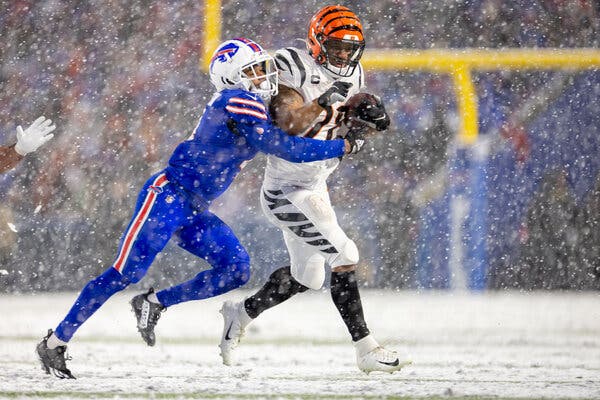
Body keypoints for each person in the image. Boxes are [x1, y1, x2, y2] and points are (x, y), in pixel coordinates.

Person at [36, 37, 367, 379]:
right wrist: (345, 144)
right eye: (251, 71)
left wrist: (327, 105)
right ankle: (55, 342)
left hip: (195, 206)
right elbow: (285, 146)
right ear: (231, 79)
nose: (262, 75)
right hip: (167, 196)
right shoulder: (236, 100)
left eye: (262, 67)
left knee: (235, 270)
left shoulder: (252, 101)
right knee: (125, 273)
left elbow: (295, 125)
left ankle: (154, 303)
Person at [218, 5, 410, 374]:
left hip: (316, 184)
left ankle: (239, 314)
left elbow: (339, 131)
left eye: (348, 48)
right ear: (316, 41)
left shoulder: (354, 73)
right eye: (336, 46)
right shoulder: (291, 63)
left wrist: (365, 126)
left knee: (308, 276)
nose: (343, 55)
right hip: (285, 190)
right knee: (345, 254)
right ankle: (366, 349)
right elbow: (288, 124)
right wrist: (323, 101)